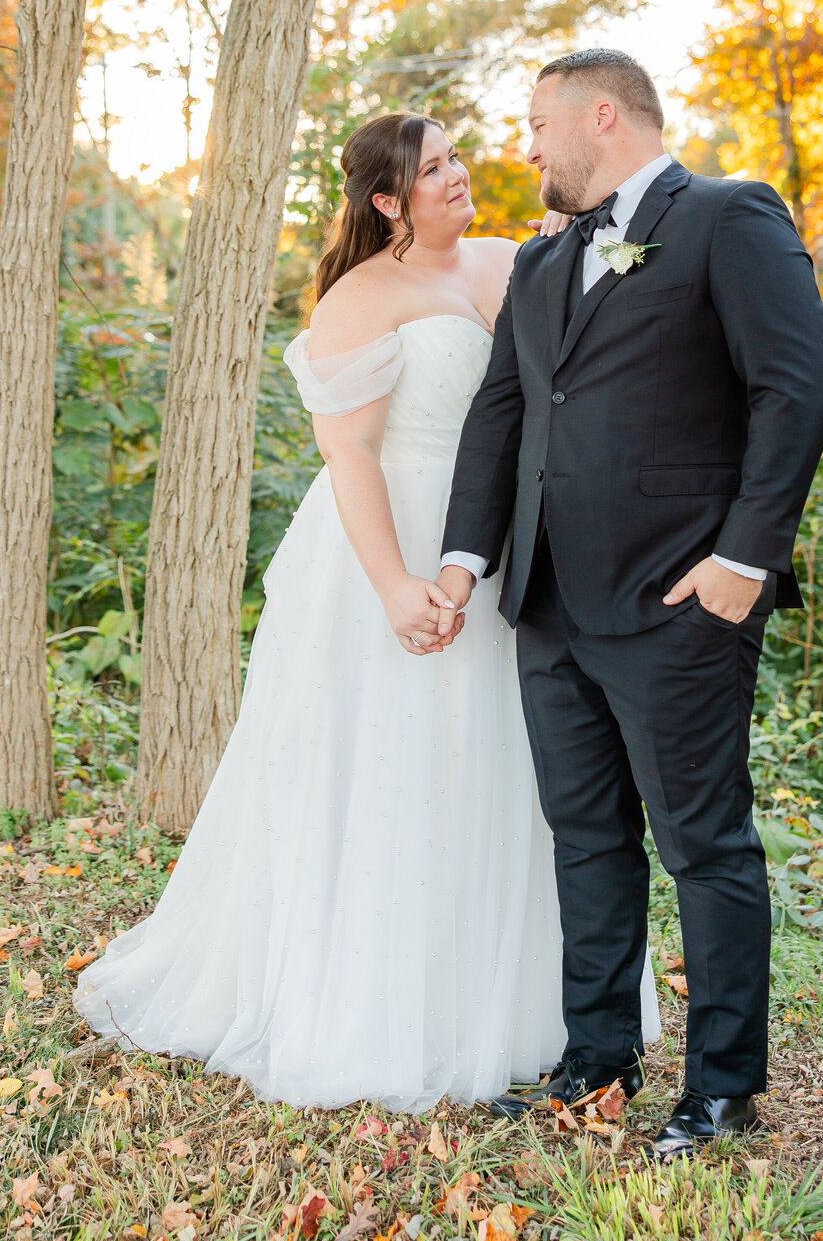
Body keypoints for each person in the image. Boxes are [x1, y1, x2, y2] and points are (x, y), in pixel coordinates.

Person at [75, 109, 659, 1111]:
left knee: (502, 767)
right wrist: (394, 584)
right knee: (397, 765)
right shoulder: (357, 299)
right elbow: (349, 456)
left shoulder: (509, 261)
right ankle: (382, 1005)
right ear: (388, 198)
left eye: (458, 158)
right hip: (385, 542)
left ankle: (521, 1003)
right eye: (435, 170)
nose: (459, 176)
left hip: (501, 549)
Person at [437, 48, 823, 1155]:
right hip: (550, 604)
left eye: (532, 126)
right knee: (584, 839)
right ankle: (596, 1058)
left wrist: (741, 563)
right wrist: (469, 560)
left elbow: (794, 388)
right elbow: (502, 416)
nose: (521, 150)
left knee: (704, 846)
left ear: (599, 115)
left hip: (680, 601)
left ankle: (721, 1088)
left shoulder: (727, 216)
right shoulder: (537, 258)